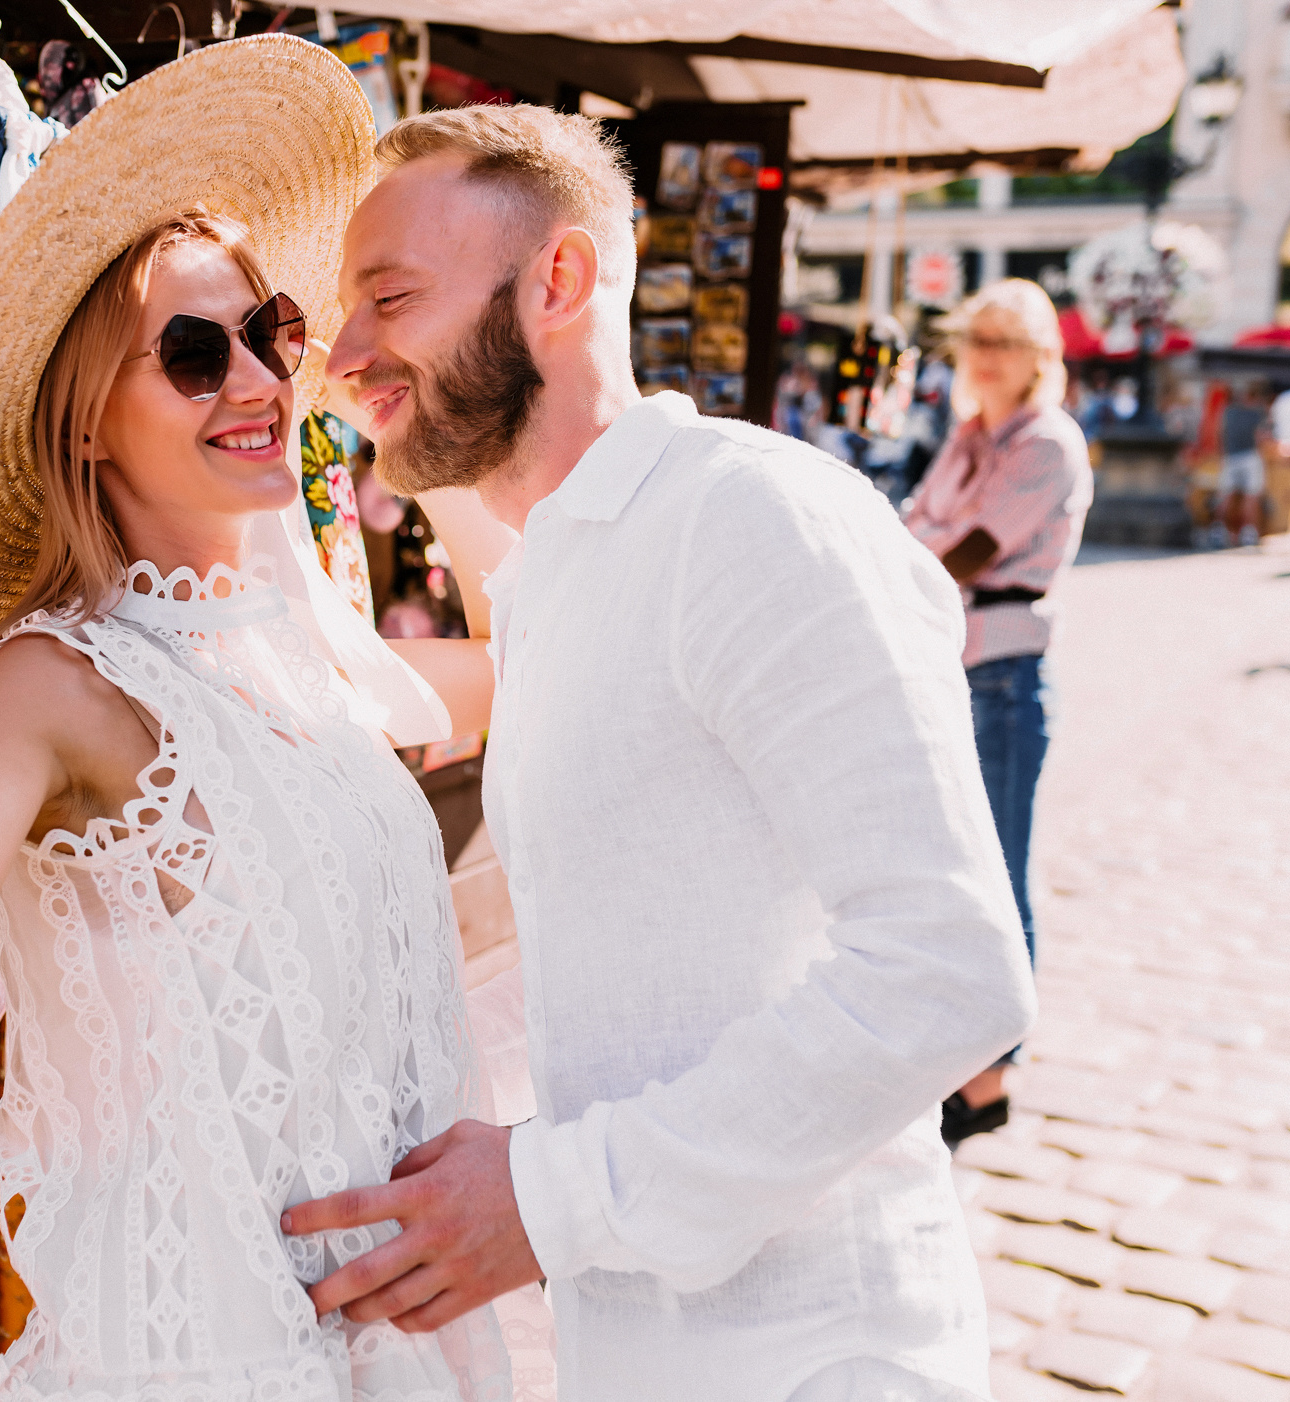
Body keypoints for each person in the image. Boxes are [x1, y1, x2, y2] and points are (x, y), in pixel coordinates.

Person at [0, 37, 515, 1402]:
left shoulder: (313, 649)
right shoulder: (61, 683)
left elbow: (535, 663)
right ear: (88, 421)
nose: (253, 381)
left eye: (269, 331)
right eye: (189, 350)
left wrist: (398, 407)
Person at [284, 104, 1034, 1400]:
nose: (347, 350)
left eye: (387, 297)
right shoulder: (565, 573)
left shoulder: (751, 518)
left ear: (559, 279)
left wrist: (545, 1198)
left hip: (819, 1358)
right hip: (645, 1350)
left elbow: (949, 974)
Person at [901, 279, 1093, 1146]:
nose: (985, 356)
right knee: (951, 866)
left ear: (1037, 356)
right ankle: (963, 1059)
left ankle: (991, 1076)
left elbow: (965, 549)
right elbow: (914, 524)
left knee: (999, 869)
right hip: (954, 666)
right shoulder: (970, 436)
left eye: (1004, 342)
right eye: (977, 338)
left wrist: (915, 550)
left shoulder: (1046, 443)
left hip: (1005, 674)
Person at [1214, 379, 1270, 547]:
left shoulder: (1228, 411)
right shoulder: (1257, 412)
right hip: (1250, 456)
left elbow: (1219, 433)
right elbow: (1261, 437)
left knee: (1226, 495)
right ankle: (1249, 533)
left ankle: (1219, 530)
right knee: (1250, 496)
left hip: (1230, 456)